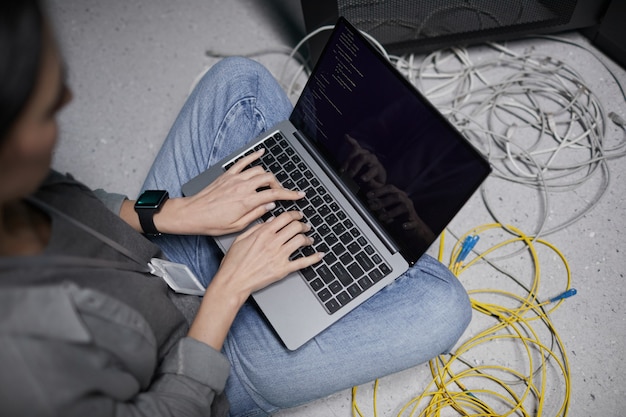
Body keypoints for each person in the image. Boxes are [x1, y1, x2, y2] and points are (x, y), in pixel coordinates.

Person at [0, 1, 472, 416]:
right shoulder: (24, 369)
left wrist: (169, 214)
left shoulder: (17, 185)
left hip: (155, 263)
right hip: (194, 367)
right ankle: (354, 244)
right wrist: (229, 290)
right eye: (46, 110)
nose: (67, 100)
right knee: (442, 306)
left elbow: (83, 204)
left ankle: (344, 209)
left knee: (239, 82)